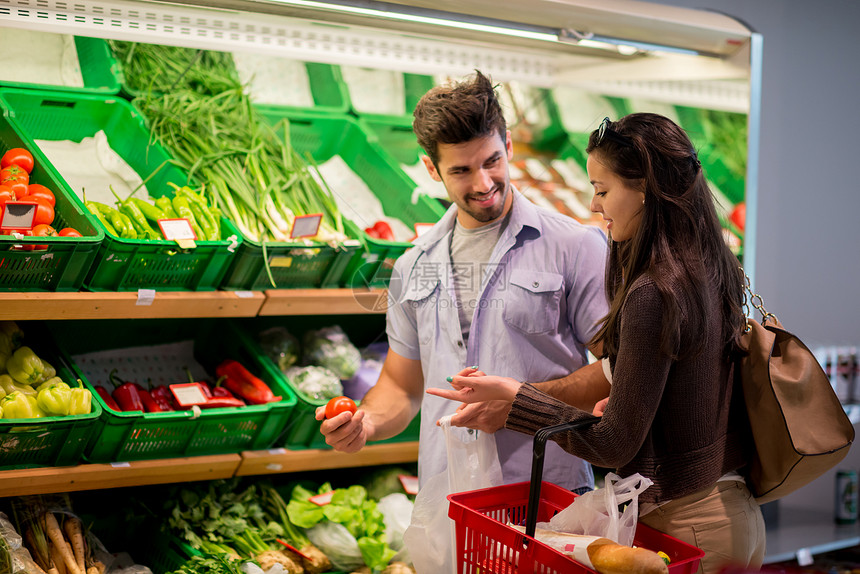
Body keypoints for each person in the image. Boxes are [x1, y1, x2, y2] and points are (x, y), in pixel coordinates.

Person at [428, 113, 765, 573]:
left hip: (689, 526)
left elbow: (614, 444)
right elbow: (681, 386)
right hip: (733, 512)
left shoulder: (654, 290)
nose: (592, 204)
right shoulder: (709, 263)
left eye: (603, 190)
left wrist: (518, 401)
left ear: (644, 188)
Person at [315, 71, 610, 493]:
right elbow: (401, 385)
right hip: (447, 496)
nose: (483, 183)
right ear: (431, 169)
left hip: (545, 495)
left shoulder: (575, 244)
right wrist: (367, 423)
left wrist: (519, 405)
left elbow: (618, 370)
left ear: (508, 145)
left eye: (492, 161)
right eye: (461, 170)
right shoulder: (413, 265)